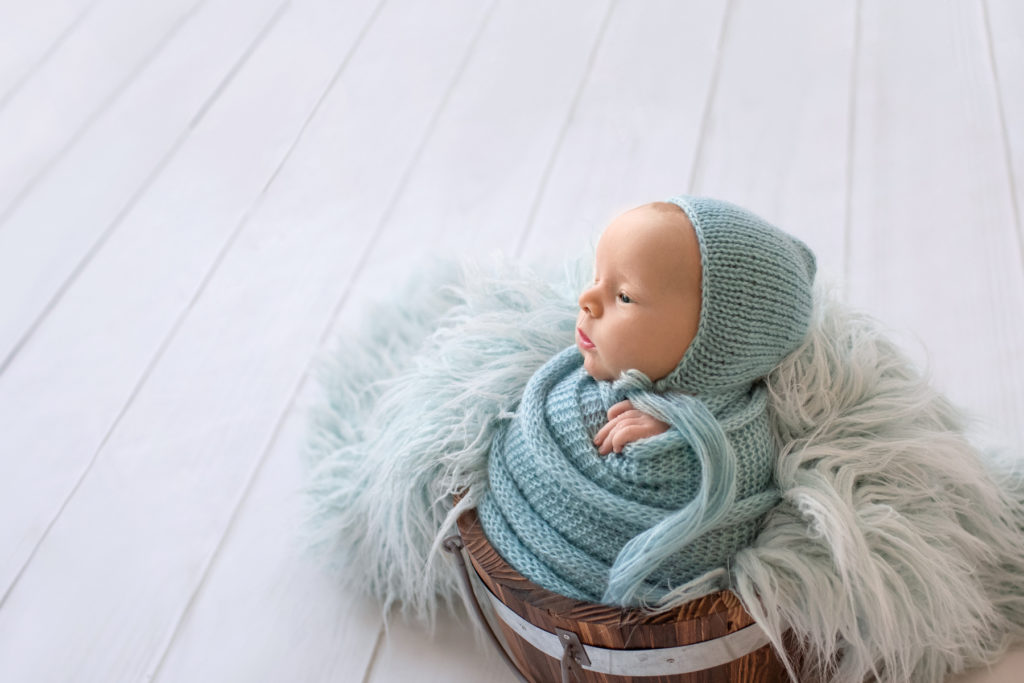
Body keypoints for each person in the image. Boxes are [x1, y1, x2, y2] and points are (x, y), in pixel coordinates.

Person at [477, 195, 817, 607]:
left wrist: (683, 425)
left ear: (714, 347)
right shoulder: (574, 384)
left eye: (623, 297)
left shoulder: (717, 450)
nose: (587, 299)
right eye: (596, 276)